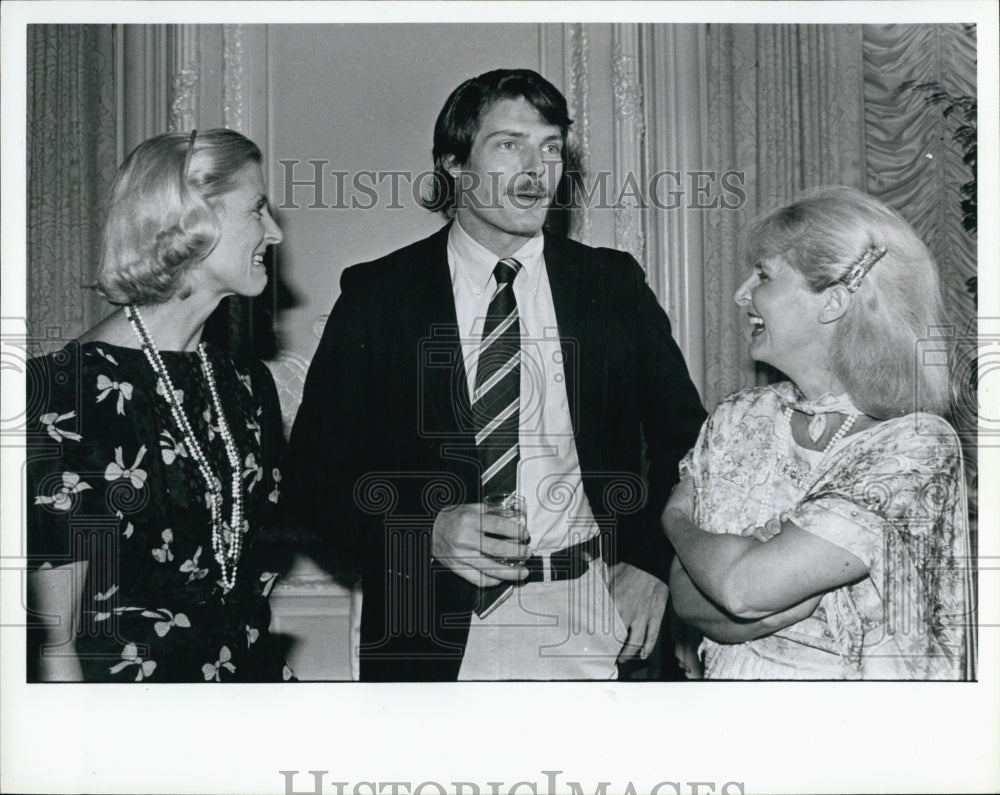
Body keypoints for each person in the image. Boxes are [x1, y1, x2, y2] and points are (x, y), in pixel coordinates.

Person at [285, 68, 706, 680]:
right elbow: (310, 481)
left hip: (595, 612)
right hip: (429, 624)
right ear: (454, 163)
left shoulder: (612, 285)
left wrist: (649, 562)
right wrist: (422, 529)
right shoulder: (379, 295)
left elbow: (690, 447)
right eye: (509, 145)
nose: (537, 169)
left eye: (552, 147)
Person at [663, 186, 975, 680]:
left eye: (763, 275)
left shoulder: (915, 445)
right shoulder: (739, 417)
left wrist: (677, 521)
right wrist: (744, 594)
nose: (742, 294)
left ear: (831, 304)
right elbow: (686, 595)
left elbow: (740, 590)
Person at [26, 129, 293, 682]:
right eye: (258, 210)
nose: (274, 232)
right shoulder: (67, 393)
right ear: (193, 220)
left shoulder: (245, 384)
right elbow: (58, 644)